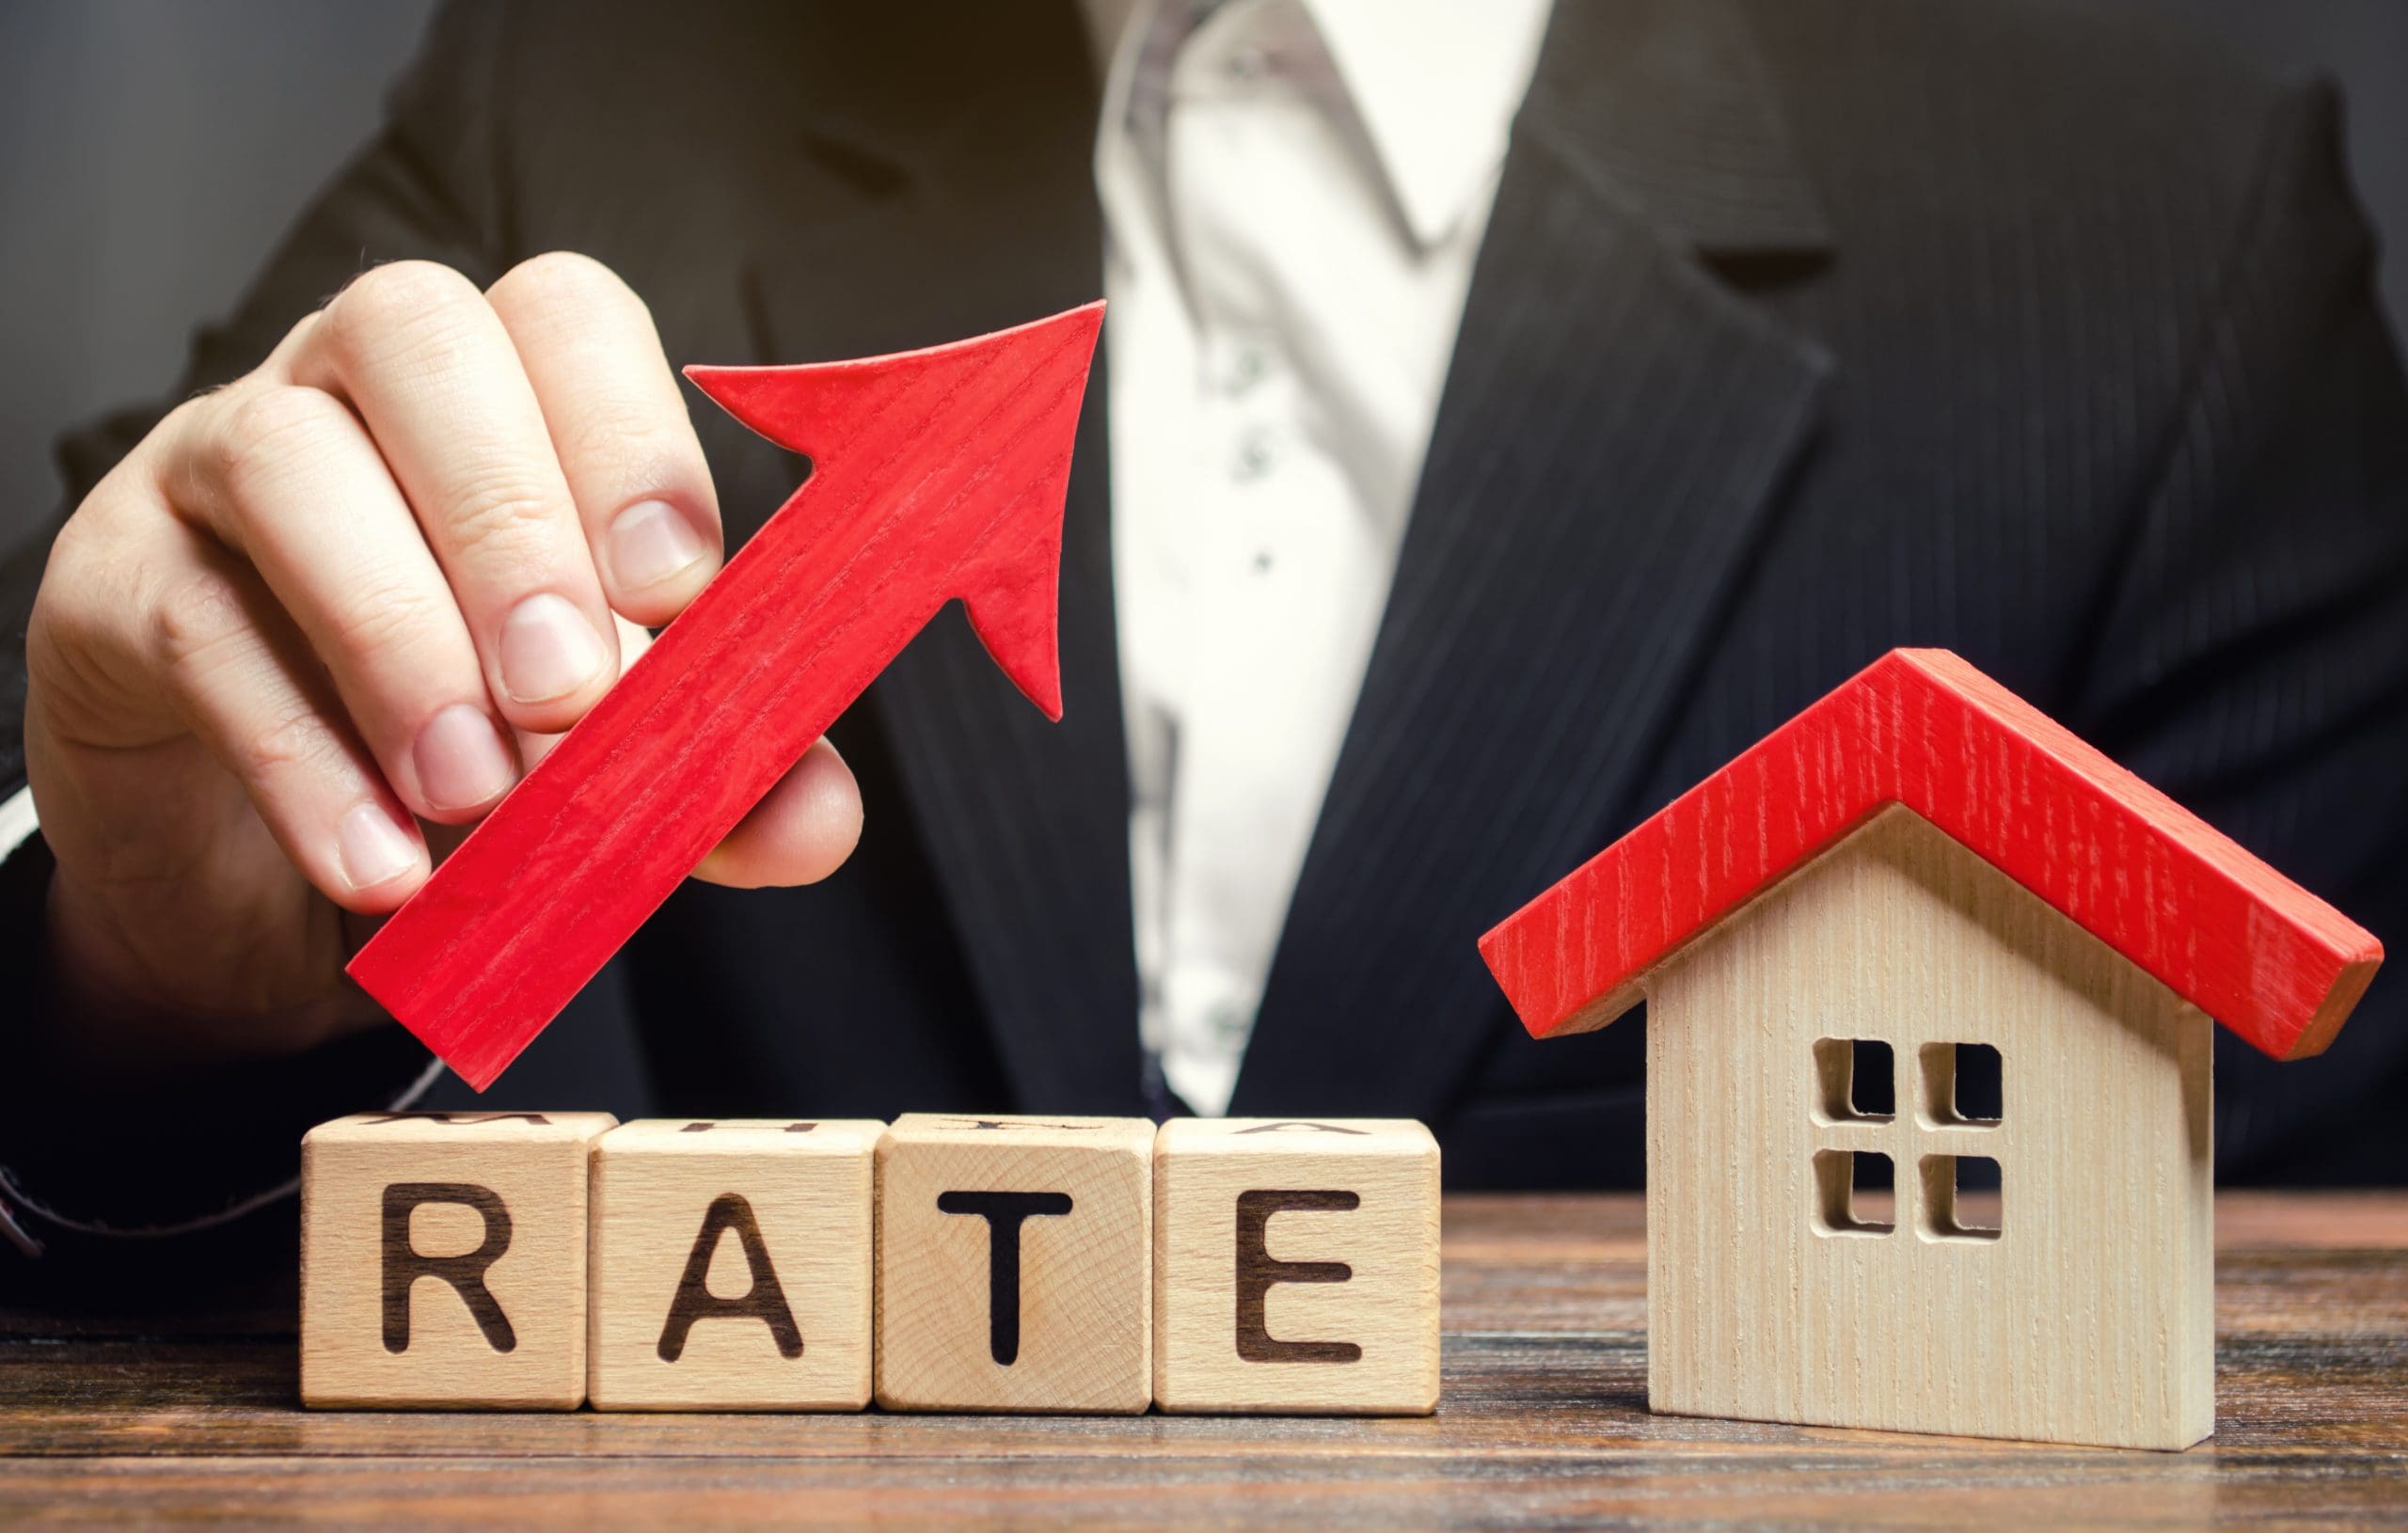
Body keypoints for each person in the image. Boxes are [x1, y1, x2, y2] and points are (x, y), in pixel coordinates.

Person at [4, 0, 2405, 1277]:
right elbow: (180, 920)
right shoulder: (571, 93)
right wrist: (146, 965)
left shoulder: (2159, 249)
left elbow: (2273, 1323)